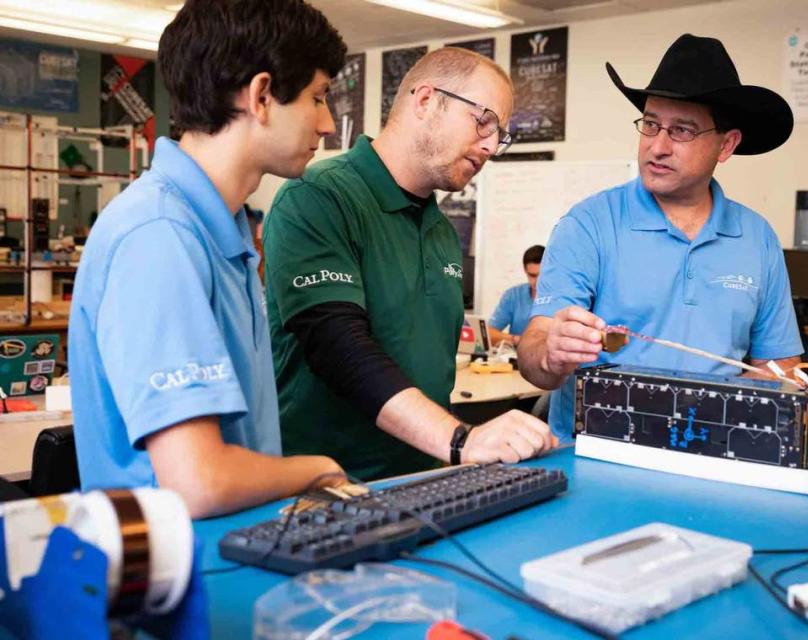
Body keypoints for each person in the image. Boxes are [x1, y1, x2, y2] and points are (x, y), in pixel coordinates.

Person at [68, 0, 348, 518]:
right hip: (178, 579)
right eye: (318, 97)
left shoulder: (220, 230)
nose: (328, 123)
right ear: (262, 96)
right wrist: (321, 469)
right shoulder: (159, 235)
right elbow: (198, 481)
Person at [264, 47, 556, 481]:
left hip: (426, 477)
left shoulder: (440, 231)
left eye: (501, 134)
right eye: (484, 121)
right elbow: (339, 347)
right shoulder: (318, 196)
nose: (492, 146)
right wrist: (460, 440)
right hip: (327, 487)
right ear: (424, 101)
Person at [518, 34, 803, 442]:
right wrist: (550, 351)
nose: (658, 146)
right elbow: (533, 356)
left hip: (715, 459)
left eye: (682, 130)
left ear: (727, 144)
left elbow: (781, 368)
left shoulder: (757, 238)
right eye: (651, 124)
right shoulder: (589, 224)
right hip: (598, 458)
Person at [488, 245, 544, 347]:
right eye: (532, 275)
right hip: (515, 358)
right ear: (525, 271)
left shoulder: (560, 298)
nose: (537, 282)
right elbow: (489, 334)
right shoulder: (513, 296)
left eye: (541, 275)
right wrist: (517, 340)